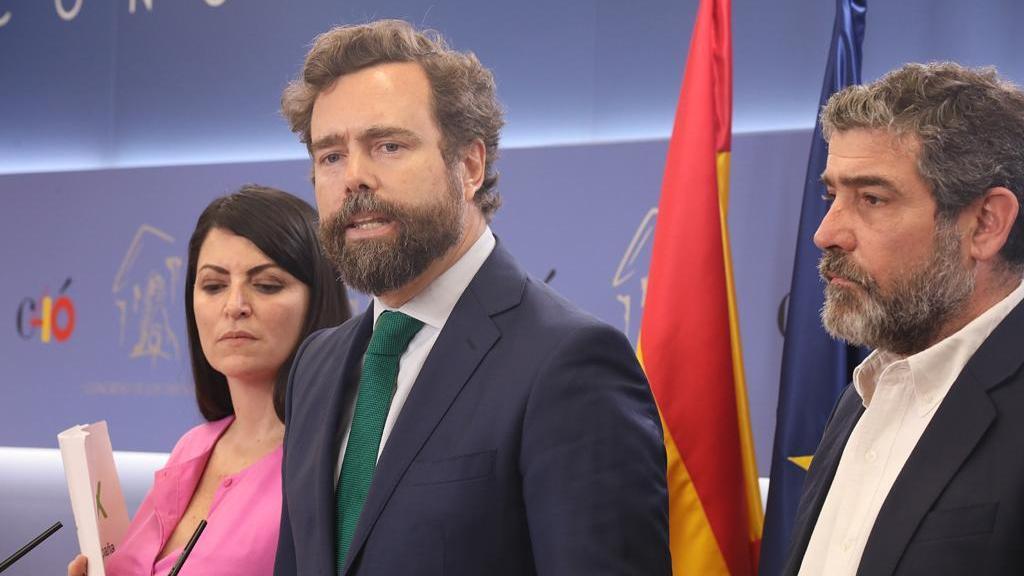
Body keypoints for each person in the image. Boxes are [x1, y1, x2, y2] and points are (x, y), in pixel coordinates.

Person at [273, 19, 670, 576]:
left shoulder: (569, 363)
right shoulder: (315, 365)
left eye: (388, 145)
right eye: (330, 155)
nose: (354, 177)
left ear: (470, 166)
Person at [784, 62, 1024, 576]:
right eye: (832, 195)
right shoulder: (864, 392)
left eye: (871, 198)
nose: (826, 234)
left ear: (985, 223)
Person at [68, 185, 350, 576]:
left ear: (317, 300)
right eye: (214, 286)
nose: (234, 306)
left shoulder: (339, 457)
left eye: (266, 284)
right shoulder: (193, 446)